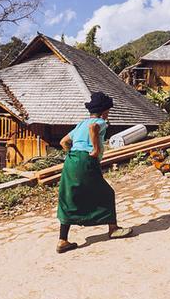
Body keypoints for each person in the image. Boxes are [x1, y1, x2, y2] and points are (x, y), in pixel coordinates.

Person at [56, 91, 133, 253]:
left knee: (69, 196)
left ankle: (63, 240)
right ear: (105, 111)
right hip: (86, 160)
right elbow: (94, 128)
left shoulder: (81, 123)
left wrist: (74, 154)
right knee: (106, 193)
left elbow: (64, 142)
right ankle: (113, 228)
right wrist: (95, 149)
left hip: (70, 161)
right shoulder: (101, 121)